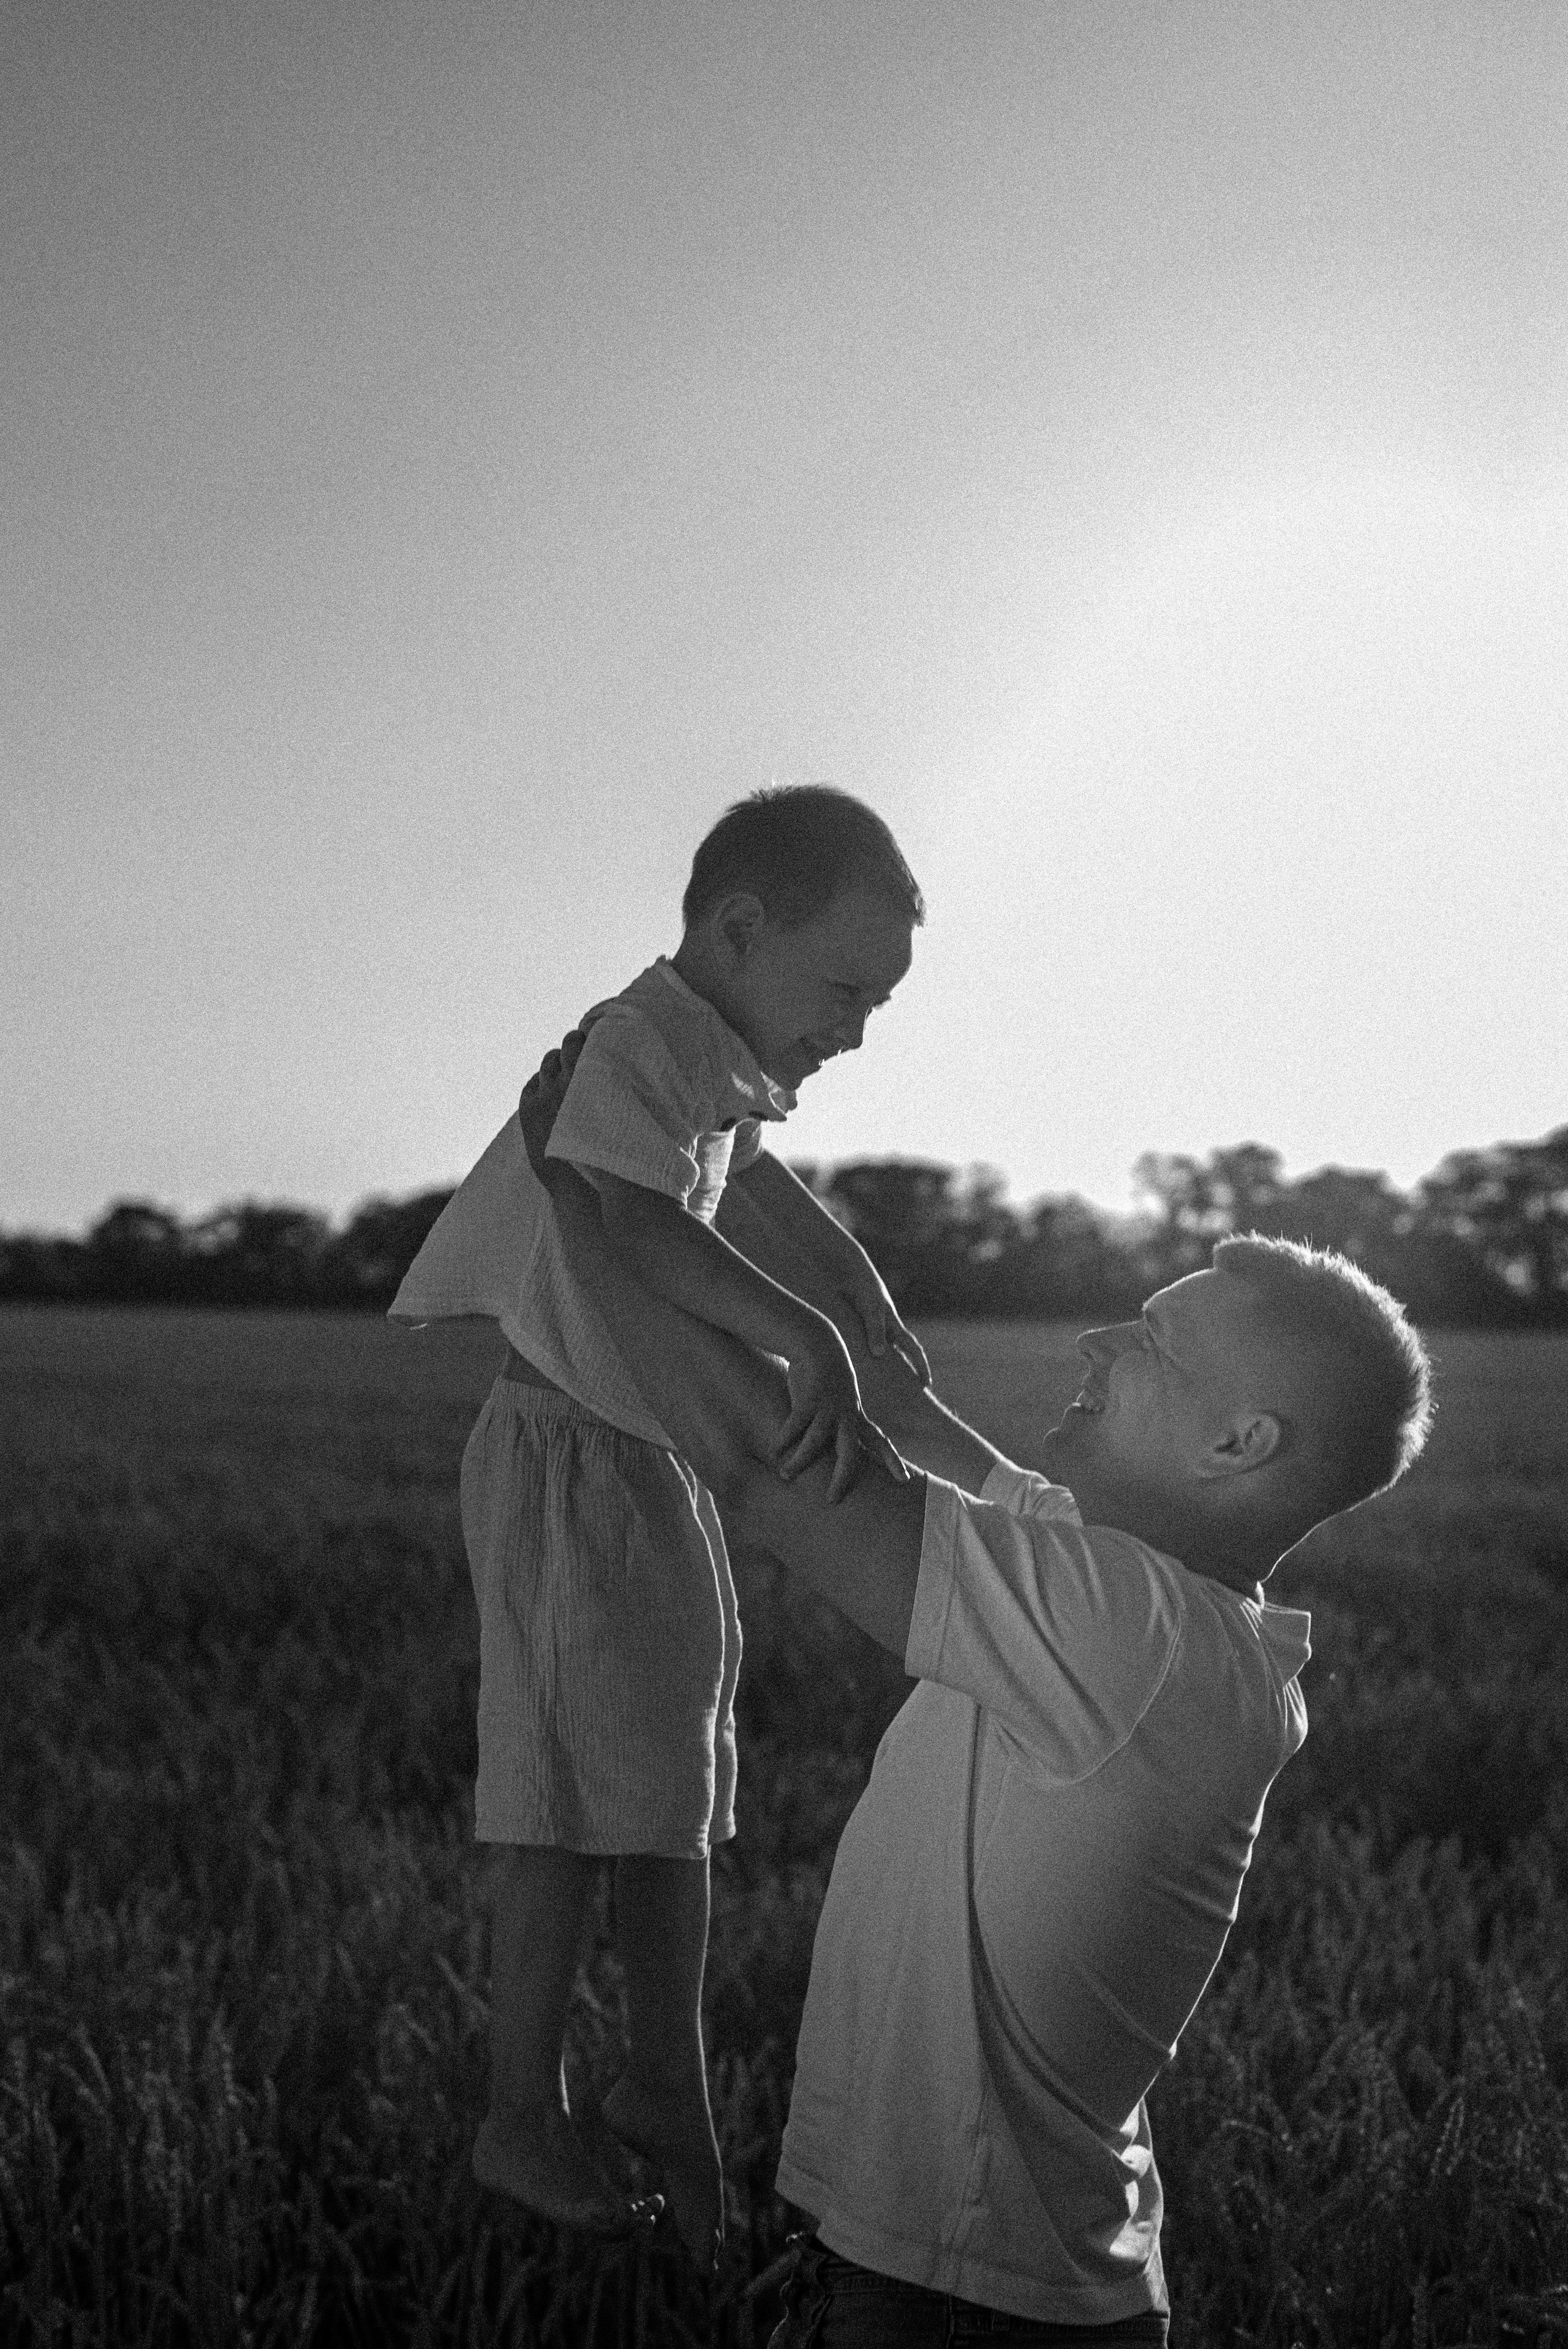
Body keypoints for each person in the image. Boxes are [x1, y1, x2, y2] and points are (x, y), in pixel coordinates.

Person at [515, 1031, 1434, 2341]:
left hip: (965, 2300)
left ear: (1236, 1446)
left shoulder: (1138, 1635)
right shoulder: (1126, 1577)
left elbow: (774, 1472)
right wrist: (731, 1169)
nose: (1097, 1334)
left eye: (1150, 1343)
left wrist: (589, 1200)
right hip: (950, 2268)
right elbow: (891, 1415)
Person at [390, 787, 930, 2265]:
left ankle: (658, 2069)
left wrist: (855, 1286)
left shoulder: (702, 1053)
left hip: (640, 1459)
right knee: (565, 1802)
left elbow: (743, 1175)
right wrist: (811, 1337)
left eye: (877, 1004)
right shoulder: (630, 1043)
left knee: (674, 1774)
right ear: (737, 931)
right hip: (567, 1464)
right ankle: (520, 2107)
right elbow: (632, 1222)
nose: (856, 1030)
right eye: (843, 991)